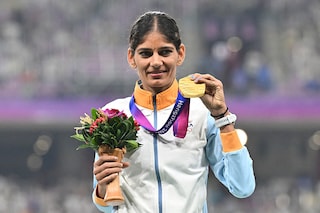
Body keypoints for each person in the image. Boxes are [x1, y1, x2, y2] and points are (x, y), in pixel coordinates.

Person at [92, 11, 255, 213]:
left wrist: (223, 117)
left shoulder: (202, 113)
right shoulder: (113, 115)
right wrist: (101, 187)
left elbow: (243, 186)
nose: (156, 62)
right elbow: (107, 207)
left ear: (180, 54)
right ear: (131, 57)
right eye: (145, 53)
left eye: (165, 52)